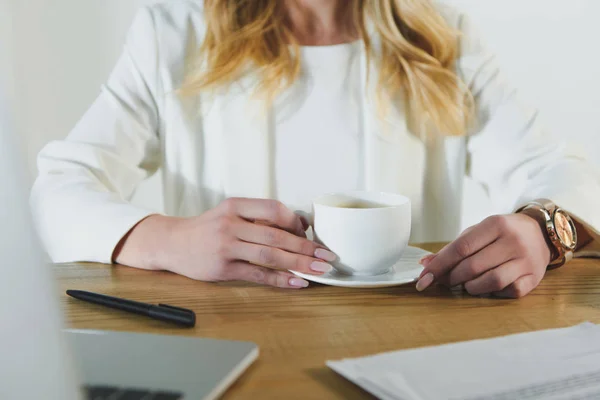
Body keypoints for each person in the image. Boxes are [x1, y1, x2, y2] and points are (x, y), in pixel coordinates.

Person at [31, 0, 600, 297]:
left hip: (408, 345)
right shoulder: (172, 34)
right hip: (228, 336)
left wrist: (541, 228)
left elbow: (558, 171)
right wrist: (168, 239)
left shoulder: (440, 37)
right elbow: (57, 188)